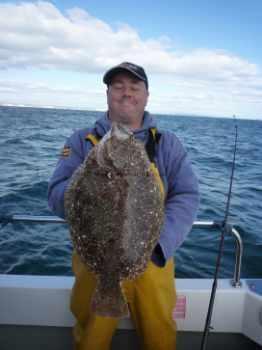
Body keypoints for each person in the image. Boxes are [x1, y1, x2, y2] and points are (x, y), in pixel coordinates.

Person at [48, 62, 199, 350]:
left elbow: (187, 196)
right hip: (96, 267)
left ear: (146, 95)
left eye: (134, 86)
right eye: (118, 86)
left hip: (152, 259)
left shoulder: (168, 145)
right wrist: (89, 188)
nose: (126, 93)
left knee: (160, 339)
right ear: (107, 94)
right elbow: (55, 194)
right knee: (90, 341)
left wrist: (157, 246)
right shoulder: (80, 141)